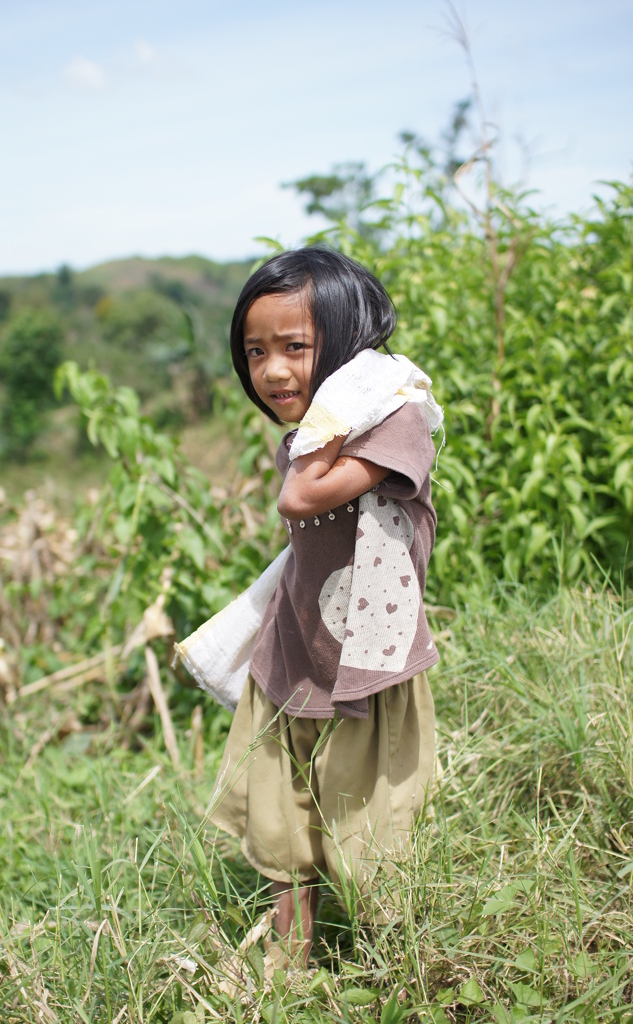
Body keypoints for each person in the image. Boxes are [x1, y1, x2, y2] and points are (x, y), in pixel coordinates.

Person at [209, 246, 440, 963]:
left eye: (296, 348)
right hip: (293, 654)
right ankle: (290, 963)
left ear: (347, 347)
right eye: (256, 351)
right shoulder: (318, 430)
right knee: (281, 816)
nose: (272, 370)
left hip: (370, 662)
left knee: (374, 820)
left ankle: (392, 964)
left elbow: (300, 496)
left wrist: (339, 414)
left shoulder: (397, 426)